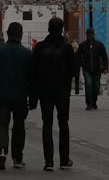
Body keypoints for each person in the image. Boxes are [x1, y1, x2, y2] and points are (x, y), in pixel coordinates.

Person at [0, 21, 32, 170]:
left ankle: (2, 151)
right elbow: (32, 77)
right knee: (18, 126)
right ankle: (17, 157)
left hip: (0, 96)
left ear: (7, 34)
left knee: (1, 125)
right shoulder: (28, 54)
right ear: (21, 35)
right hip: (20, 96)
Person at [30, 16, 77, 171]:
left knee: (47, 125)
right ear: (62, 29)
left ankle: (48, 161)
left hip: (45, 91)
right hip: (62, 90)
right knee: (63, 124)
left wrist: (33, 95)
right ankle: (64, 159)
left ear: (49, 29)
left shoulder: (40, 47)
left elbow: (33, 72)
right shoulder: (67, 48)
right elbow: (74, 70)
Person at [77, 27, 108, 110]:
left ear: (94, 34)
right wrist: (81, 64)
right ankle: (89, 103)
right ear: (86, 35)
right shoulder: (82, 45)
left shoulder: (99, 45)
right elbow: (78, 57)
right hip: (87, 69)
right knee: (89, 85)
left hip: (97, 69)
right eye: (88, 34)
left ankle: (94, 101)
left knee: (96, 86)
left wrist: (105, 67)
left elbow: (104, 56)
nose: (90, 35)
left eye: (91, 34)